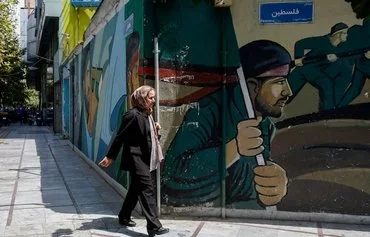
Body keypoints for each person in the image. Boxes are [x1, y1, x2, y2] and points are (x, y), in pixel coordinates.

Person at [162, 40, 290, 208]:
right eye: (280, 82)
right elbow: (173, 173)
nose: (288, 91)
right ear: (252, 87)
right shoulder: (207, 110)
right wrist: (234, 148)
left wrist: (275, 185)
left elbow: (251, 179)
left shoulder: (265, 125)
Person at [99, 85, 169, 237]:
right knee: (147, 189)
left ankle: (124, 216)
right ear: (142, 99)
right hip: (136, 159)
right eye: (150, 98)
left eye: (153, 97)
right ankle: (154, 226)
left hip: (146, 158)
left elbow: (147, 138)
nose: (153, 100)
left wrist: (154, 129)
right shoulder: (132, 115)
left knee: (135, 189)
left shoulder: (146, 114)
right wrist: (110, 156)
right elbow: (120, 137)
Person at [289, 22, 370, 111]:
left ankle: (328, 112)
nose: (347, 35)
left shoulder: (341, 48)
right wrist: (299, 59)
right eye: (345, 33)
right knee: (285, 95)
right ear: (339, 34)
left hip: (318, 71)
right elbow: (300, 44)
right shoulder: (323, 41)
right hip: (305, 69)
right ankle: (329, 111)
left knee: (327, 84)